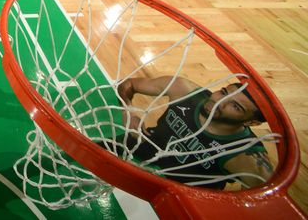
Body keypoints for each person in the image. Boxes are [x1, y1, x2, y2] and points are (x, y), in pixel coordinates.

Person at [116, 76, 273, 189]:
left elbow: (256, 202)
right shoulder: (184, 90)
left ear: (252, 123)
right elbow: (127, 84)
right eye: (224, 92)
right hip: (142, 147)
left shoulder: (246, 156)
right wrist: (129, 112)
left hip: (182, 192)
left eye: (236, 106)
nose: (219, 102)